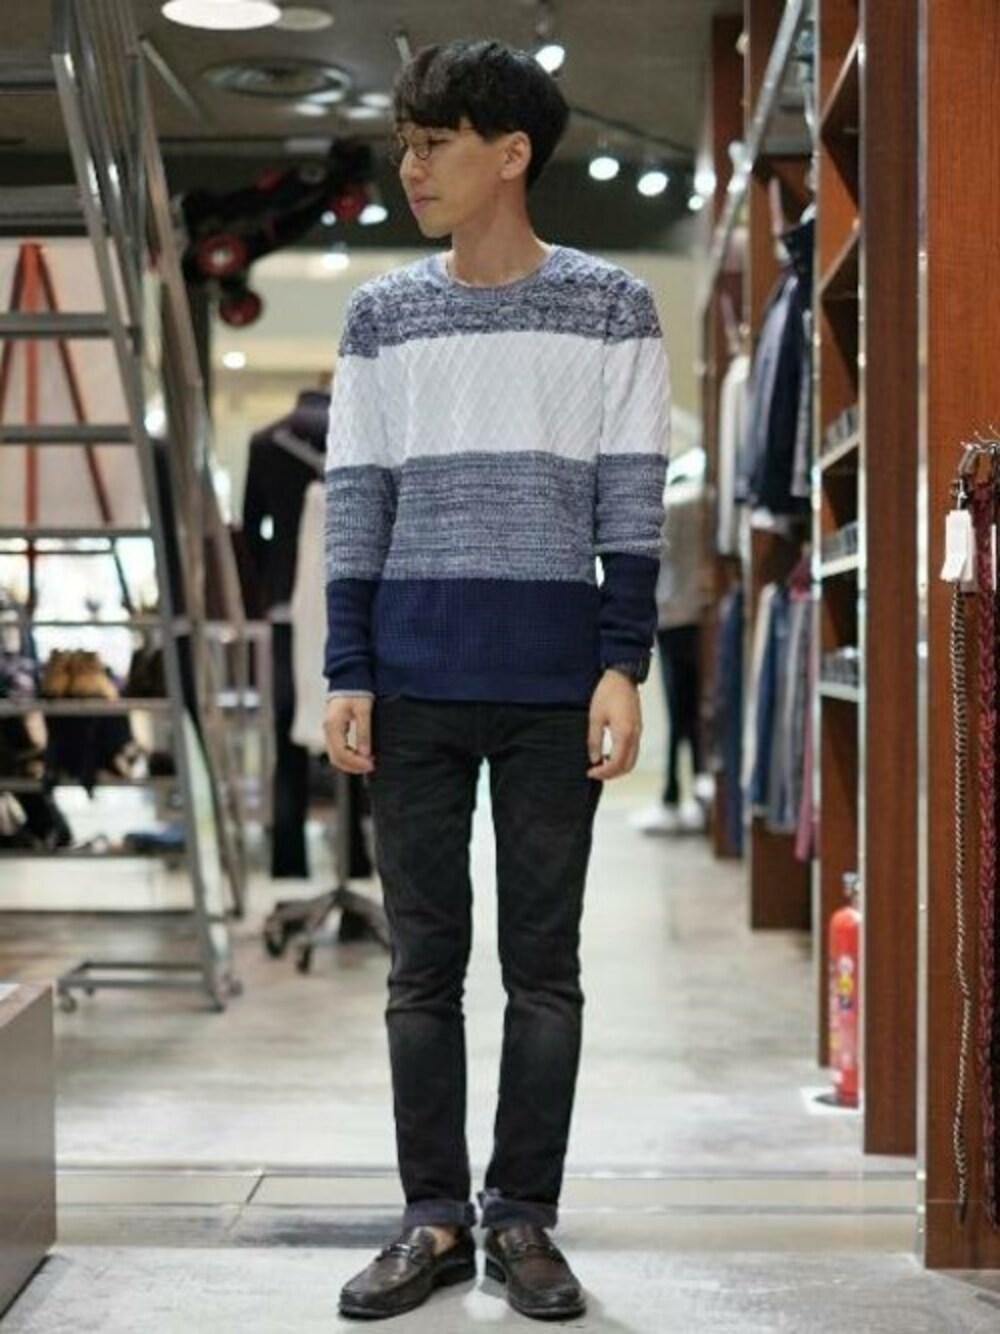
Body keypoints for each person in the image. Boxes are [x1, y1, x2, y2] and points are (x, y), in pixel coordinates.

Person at [323, 38, 670, 1322]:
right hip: (411, 675)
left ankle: (521, 1214)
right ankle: (431, 1216)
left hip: (550, 681)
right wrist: (347, 665)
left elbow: (631, 498)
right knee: (422, 965)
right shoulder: (382, 314)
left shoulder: (610, 305)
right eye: (404, 145)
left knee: (542, 964)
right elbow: (356, 495)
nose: (409, 168)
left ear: (511, 153)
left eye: (434, 144)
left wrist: (621, 662)